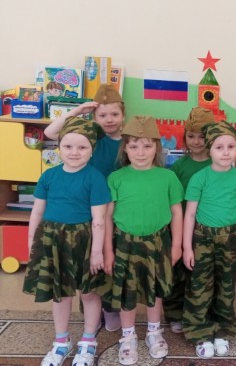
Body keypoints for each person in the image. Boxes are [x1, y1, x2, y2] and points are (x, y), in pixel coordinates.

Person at [23, 117, 111, 366]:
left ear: (92, 150)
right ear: (59, 147)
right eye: (68, 146)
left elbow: (99, 220)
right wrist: (32, 241)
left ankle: (88, 340)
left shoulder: (95, 178)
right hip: (52, 240)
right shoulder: (49, 176)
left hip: (84, 240)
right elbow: (37, 212)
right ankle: (61, 341)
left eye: (82, 147)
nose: (74, 152)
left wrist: (97, 252)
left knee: (89, 292)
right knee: (59, 293)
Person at [103, 116, 184, 365]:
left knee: (155, 289)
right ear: (125, 148)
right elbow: (107, 217)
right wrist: (107, 250)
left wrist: (178, 245)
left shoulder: (168, 177)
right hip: (124, 243)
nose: (140, 152)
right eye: (134, 146)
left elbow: (177, 212)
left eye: (147, 146)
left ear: (157, 148)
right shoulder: (116, 178)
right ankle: (128, 336)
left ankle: (153, 332)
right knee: (126, 290)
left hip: (158, 242)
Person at [44, 84, 125, 332]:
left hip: (116, 209)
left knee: (109, 260)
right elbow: (50, 132)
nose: (109, 119)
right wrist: (76, 112)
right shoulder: (88, 136)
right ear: (94, 117)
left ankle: (110, 308)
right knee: (86, 262)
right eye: (102, 115)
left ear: (123, 115)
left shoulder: (128, 141)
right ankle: (92, 311)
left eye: (114, 114)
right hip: (85, 209)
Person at [182, 121, 236, 358]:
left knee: (226, 287)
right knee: (200, 287)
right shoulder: (199, 178)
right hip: (202, 239)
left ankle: (223, 330)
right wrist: (187, 247)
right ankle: (200, 333)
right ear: (210, 150)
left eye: (231, 147)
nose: (225, 152)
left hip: (231, 240)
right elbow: (190, 214)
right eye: (219, 147)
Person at [163, 107, 215, 335]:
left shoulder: (217, 166)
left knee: (201, 275)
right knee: (177, 274)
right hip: (180, 227)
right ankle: (175, 314)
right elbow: (172, 200)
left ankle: (198, 314)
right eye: (191, 136)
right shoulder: (179, 166)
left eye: (202, 136)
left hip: (207, 230)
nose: (196, 141)